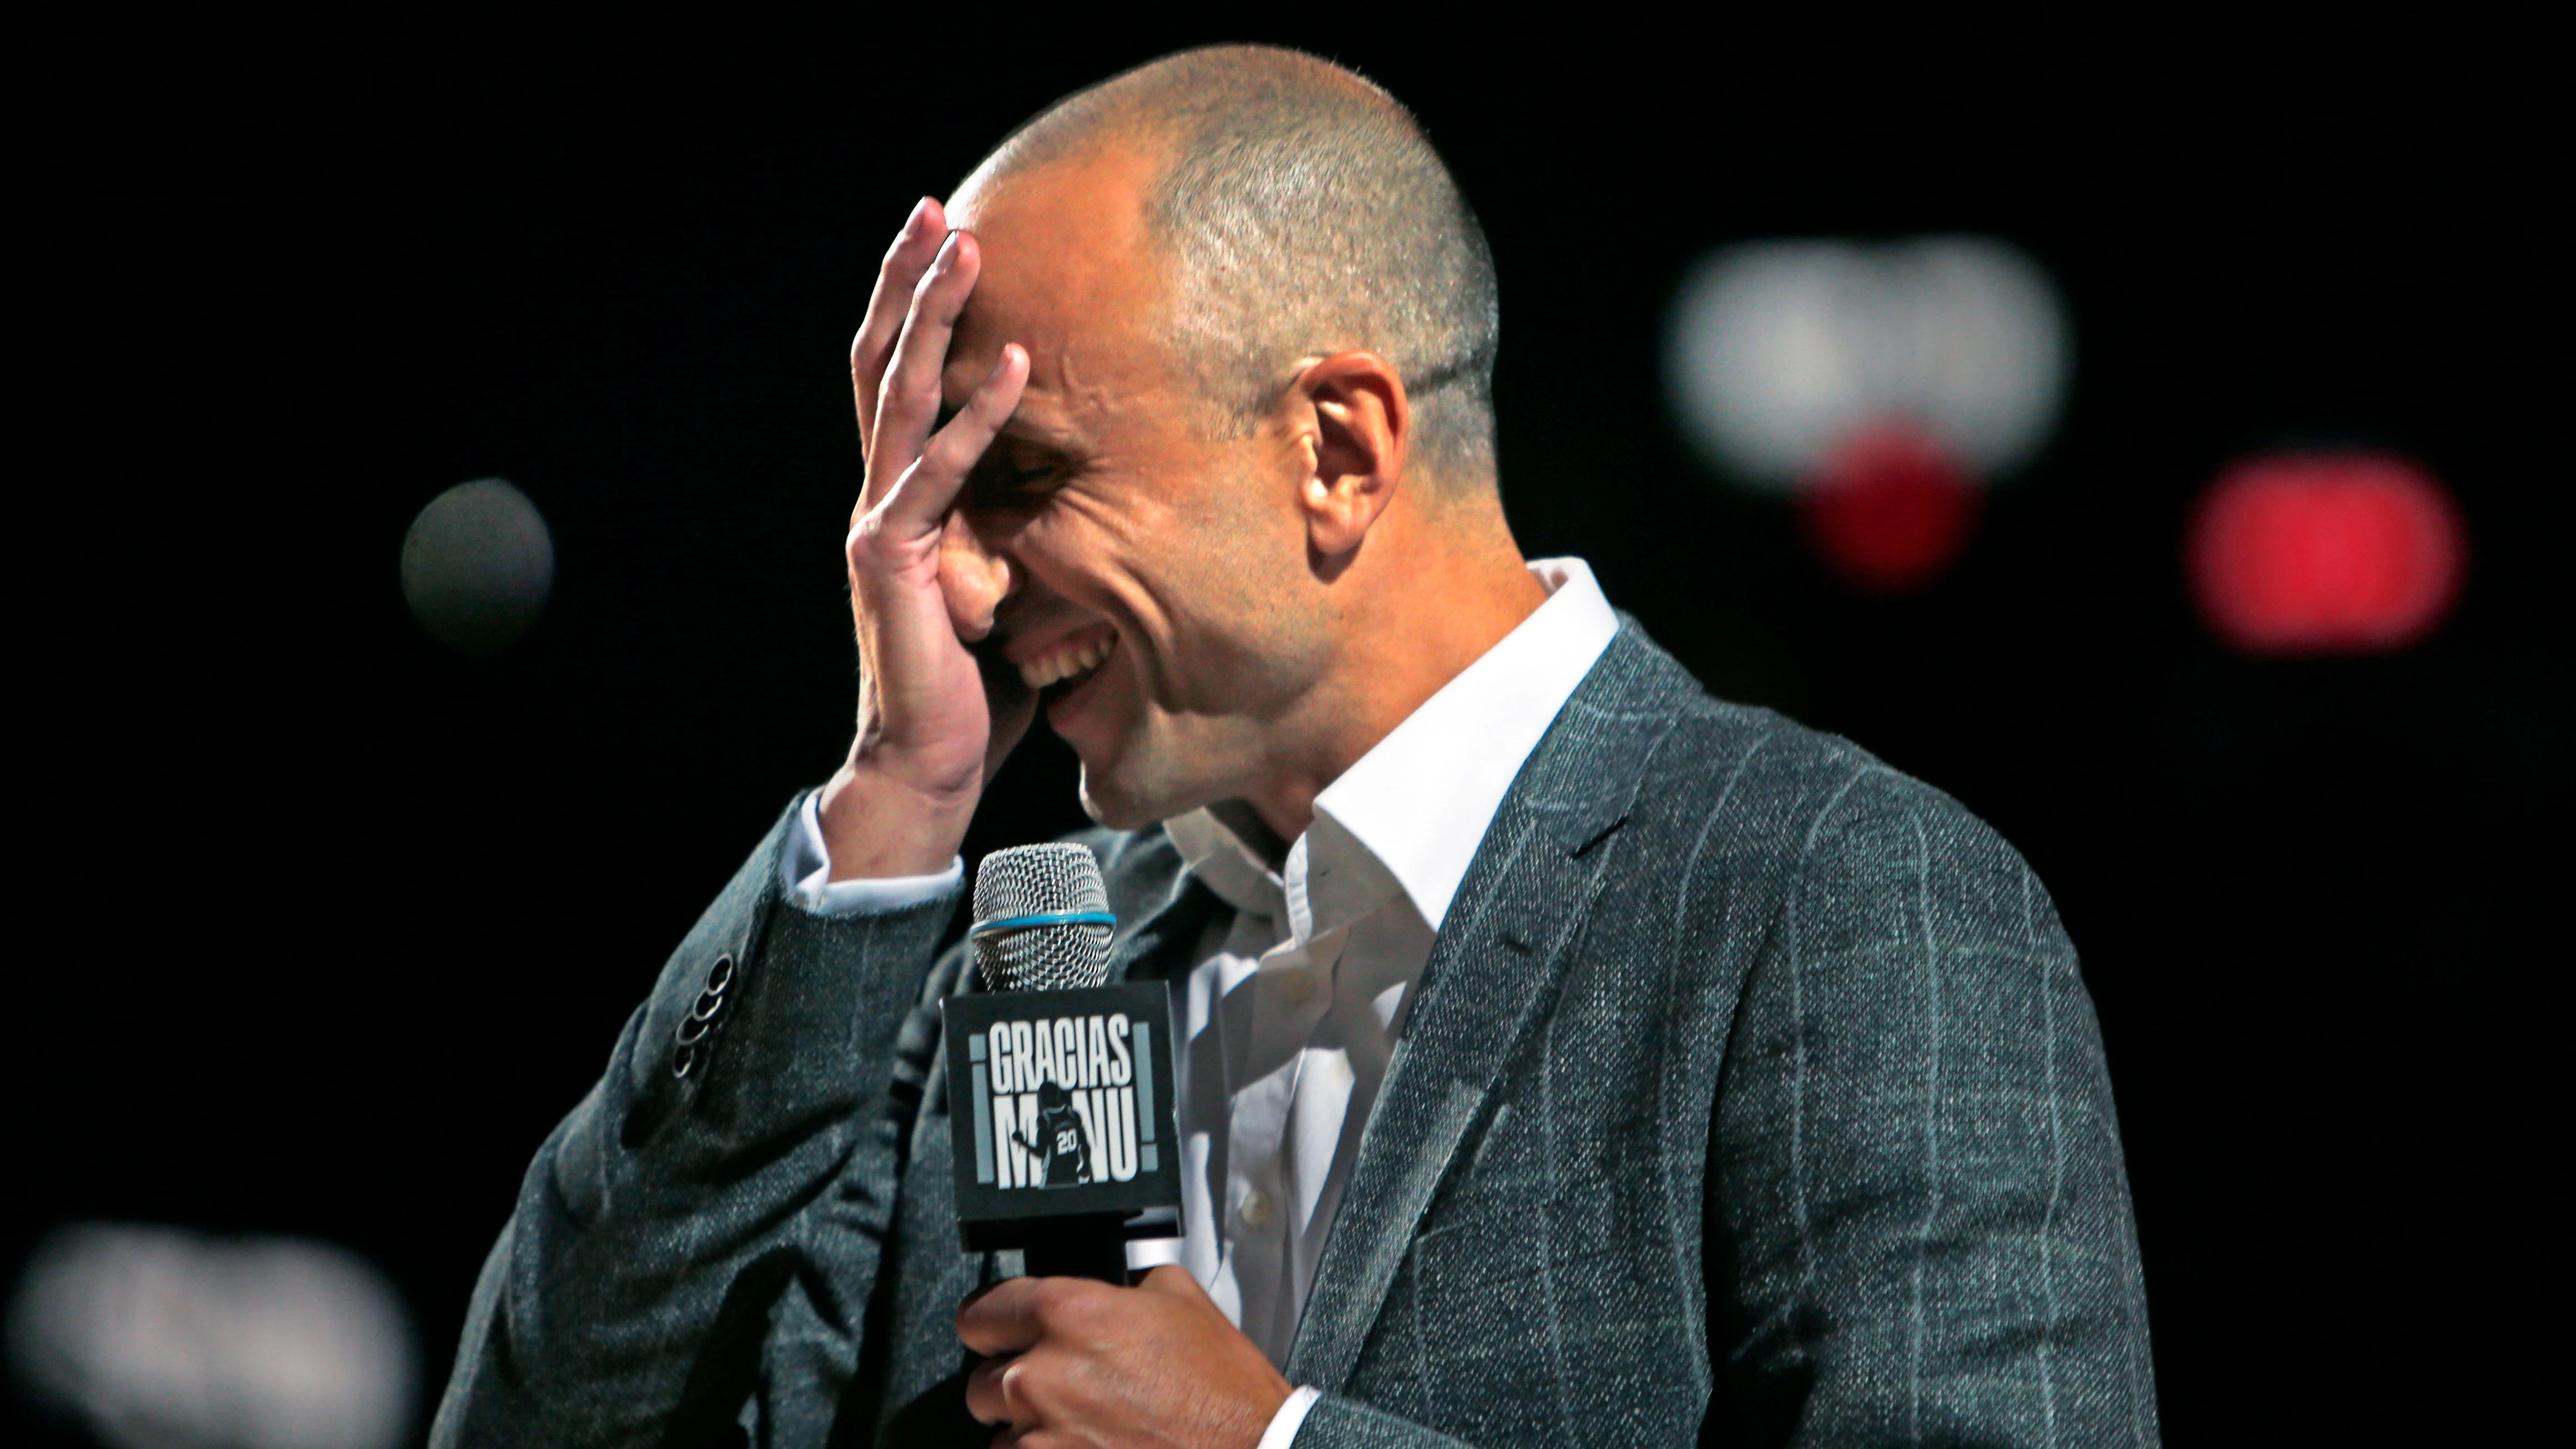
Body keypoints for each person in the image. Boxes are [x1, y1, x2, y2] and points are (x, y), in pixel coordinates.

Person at [430, 44, 2158, 1449]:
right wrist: (891, 802)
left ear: (1334, 445)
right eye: (925, 504)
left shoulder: (1836, 897)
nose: (947, 580)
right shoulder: (1014, 968)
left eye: (1018, 483)